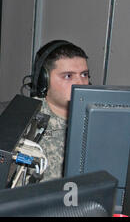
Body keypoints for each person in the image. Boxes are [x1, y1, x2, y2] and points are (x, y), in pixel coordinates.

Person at [28, 40, 90, 182]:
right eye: (68, 76)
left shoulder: (97, 117)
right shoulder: (26, 121)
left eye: (84, 75)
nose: (80, 84)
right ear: (44, 81)